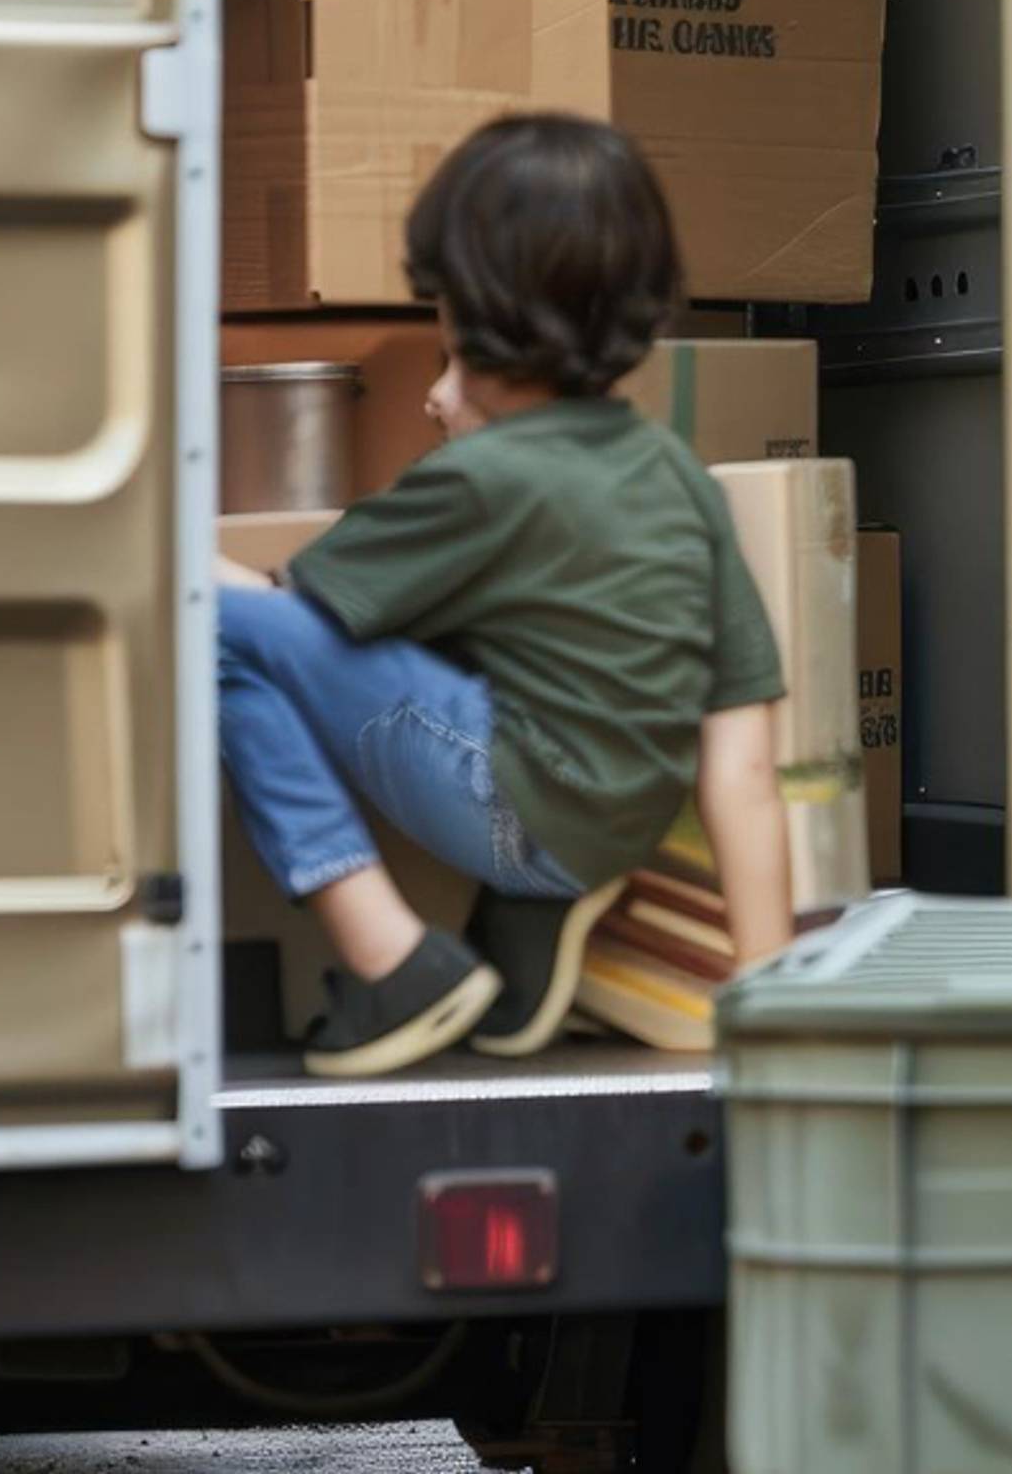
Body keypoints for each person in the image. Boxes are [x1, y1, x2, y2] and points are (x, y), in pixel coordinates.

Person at [215, 115, 795, 1078]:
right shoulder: (674, 473)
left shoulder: (487, 476)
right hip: (614, 828)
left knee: (207, 629)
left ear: (468, 306)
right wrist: (771, 994)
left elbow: (283, 614)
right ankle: (526, 917)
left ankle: (390, 958)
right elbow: (742, 758)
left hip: (513, 811)